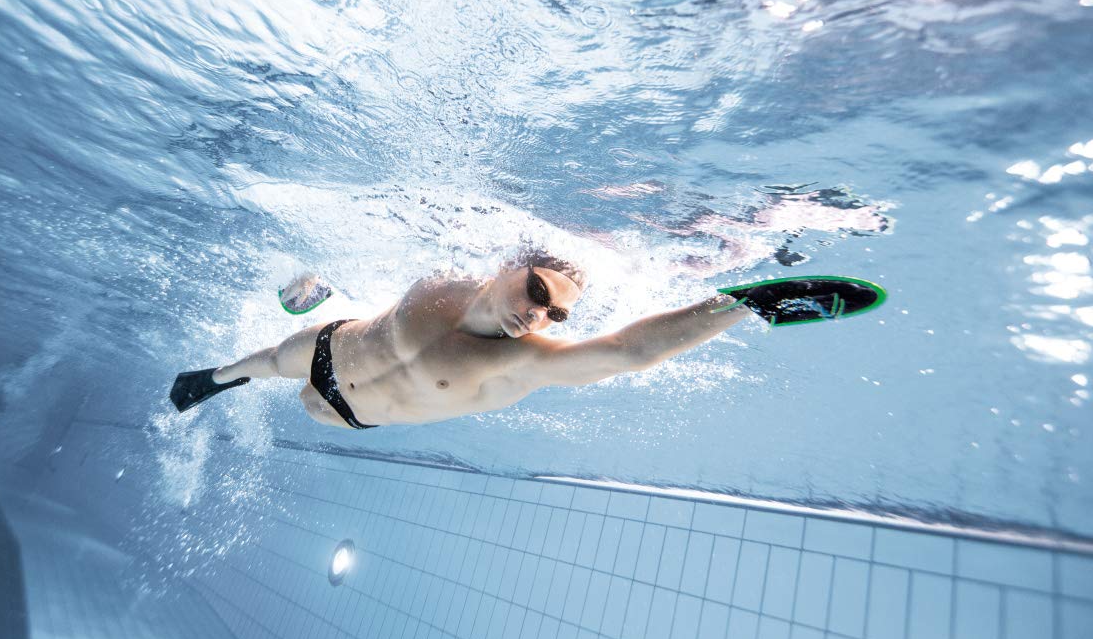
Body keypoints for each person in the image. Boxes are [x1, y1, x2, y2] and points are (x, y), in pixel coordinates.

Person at [169, 248, 881, 429]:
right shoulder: (440, 276)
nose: (537, 314)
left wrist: (740, 304)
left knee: (297, 400)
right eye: (537, 290)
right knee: (261, 362)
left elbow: (629, 350)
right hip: (331, 346)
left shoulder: (525, 360)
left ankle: (750, 302)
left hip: (346, 413)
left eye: (554, 314)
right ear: (509, 263)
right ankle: (216, 379)